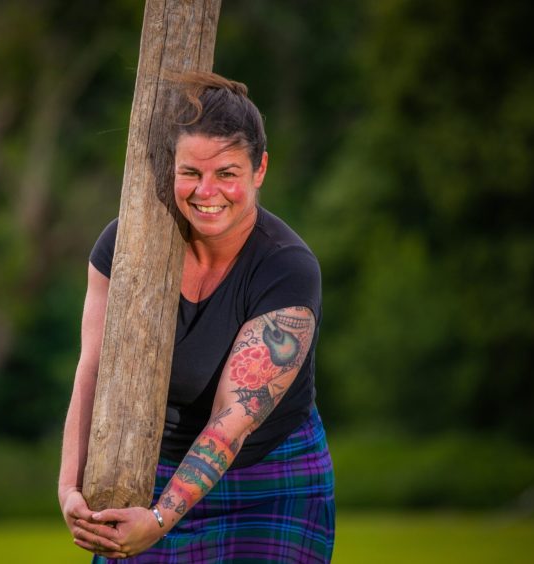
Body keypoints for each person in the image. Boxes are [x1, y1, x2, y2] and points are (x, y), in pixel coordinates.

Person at [58, 71, 335, 563]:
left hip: (268, 479)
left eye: (227, 172)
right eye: (191, 172)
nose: (207, 192)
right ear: (171, 169)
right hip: (152, 470)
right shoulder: (124, 247)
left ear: (260, 169)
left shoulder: (287, 268)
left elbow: (231, 422)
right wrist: (68, 488)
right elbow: (93, 369)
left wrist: (162, 518)